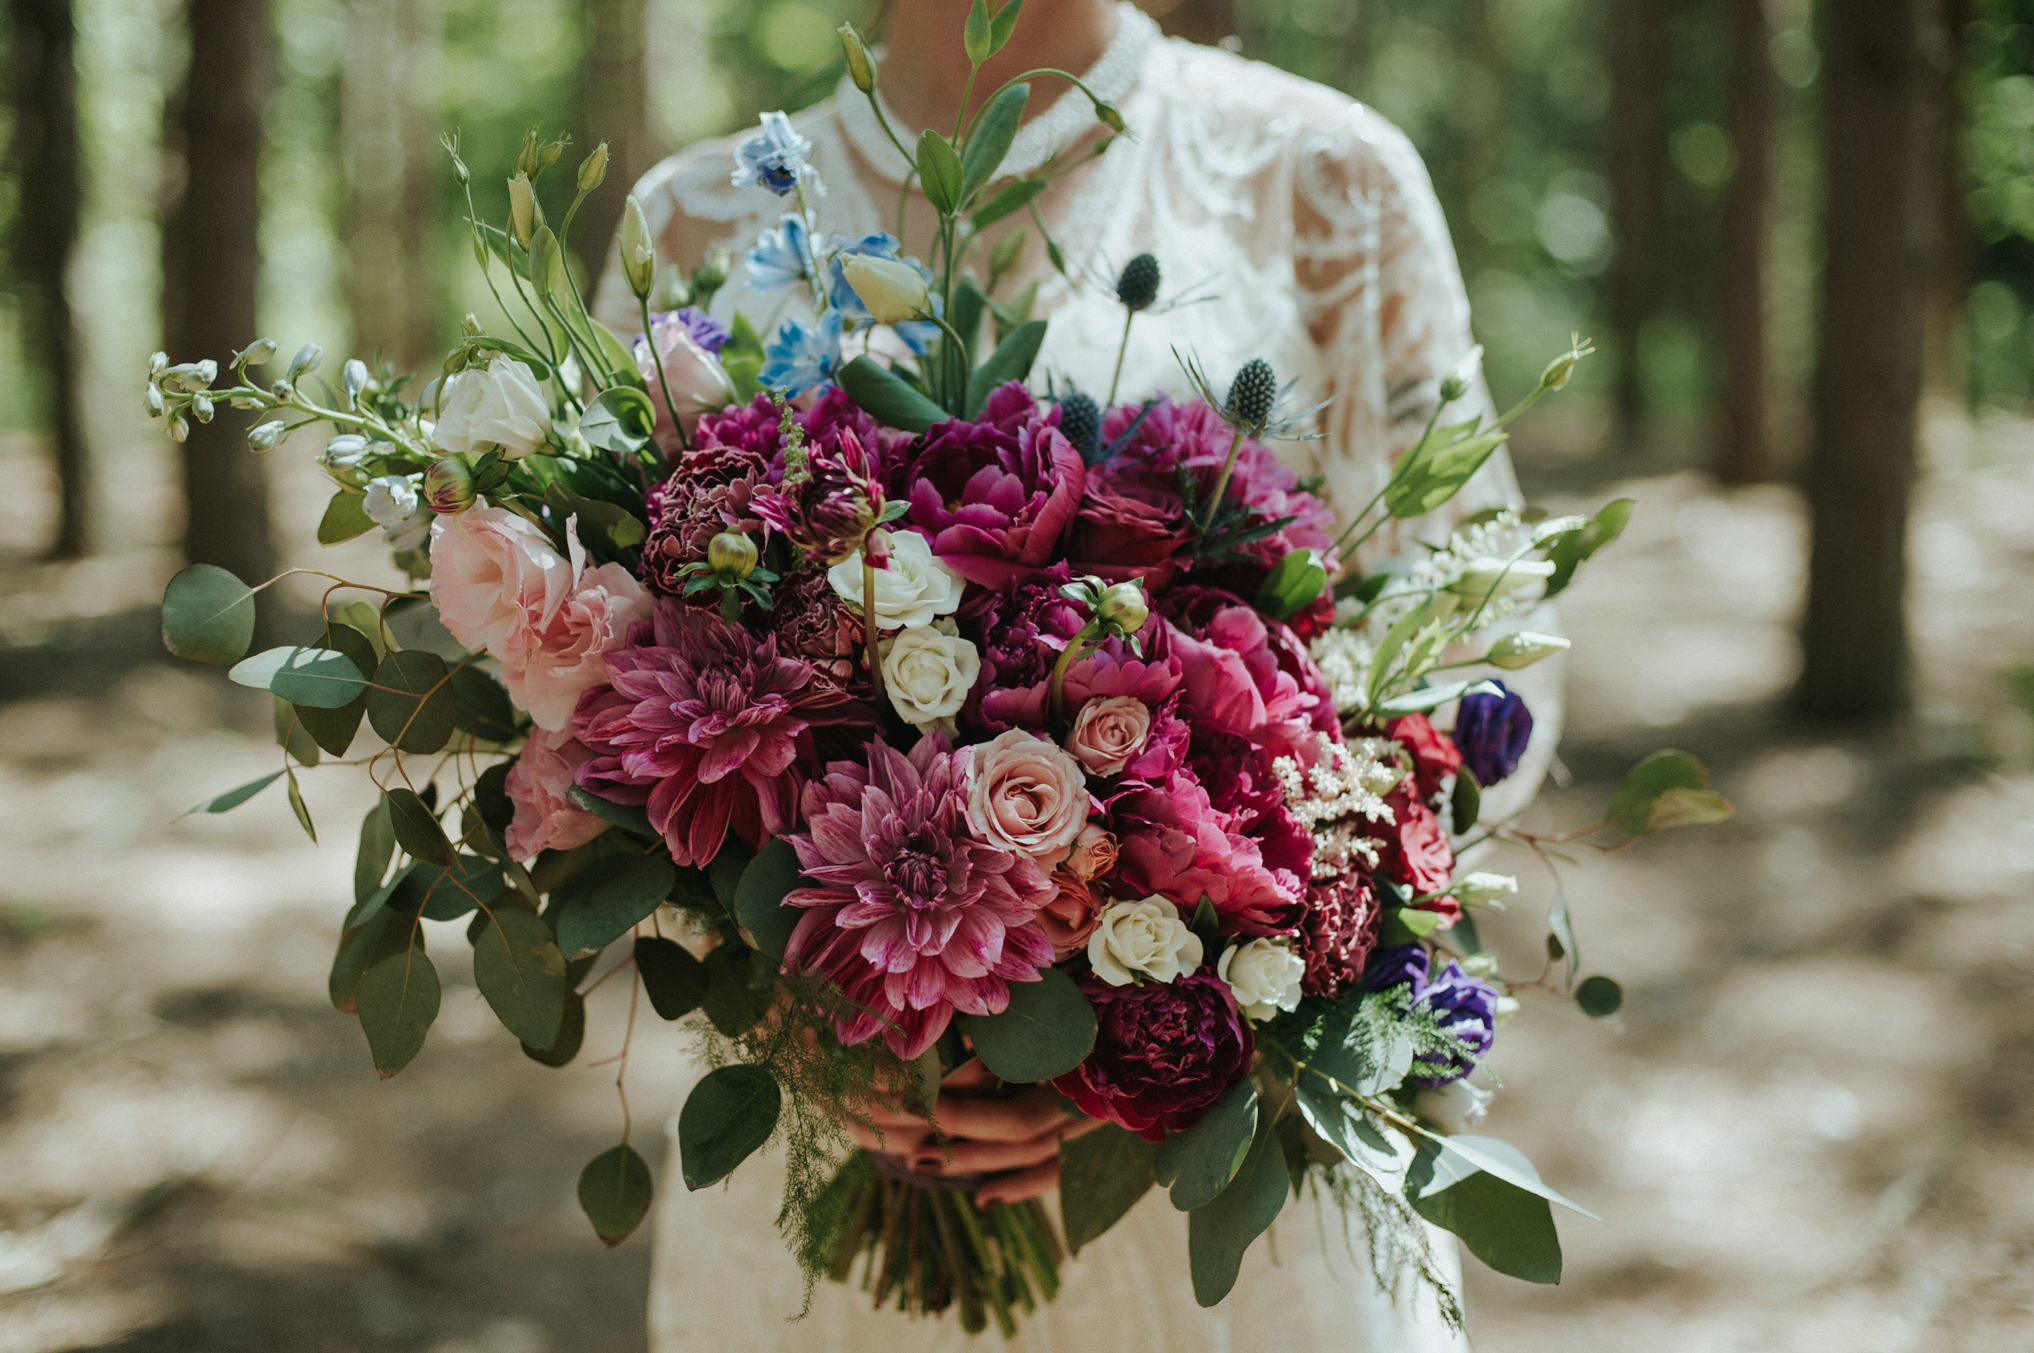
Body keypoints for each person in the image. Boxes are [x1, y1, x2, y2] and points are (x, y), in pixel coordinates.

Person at [596, 2, 1560, 1347]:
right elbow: (601, 676)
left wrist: (1162, 1024)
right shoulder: (691, 220)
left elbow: (1476, 644)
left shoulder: (1319, 177)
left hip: (1208, 1178)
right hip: (827, 1143)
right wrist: (785, 999)